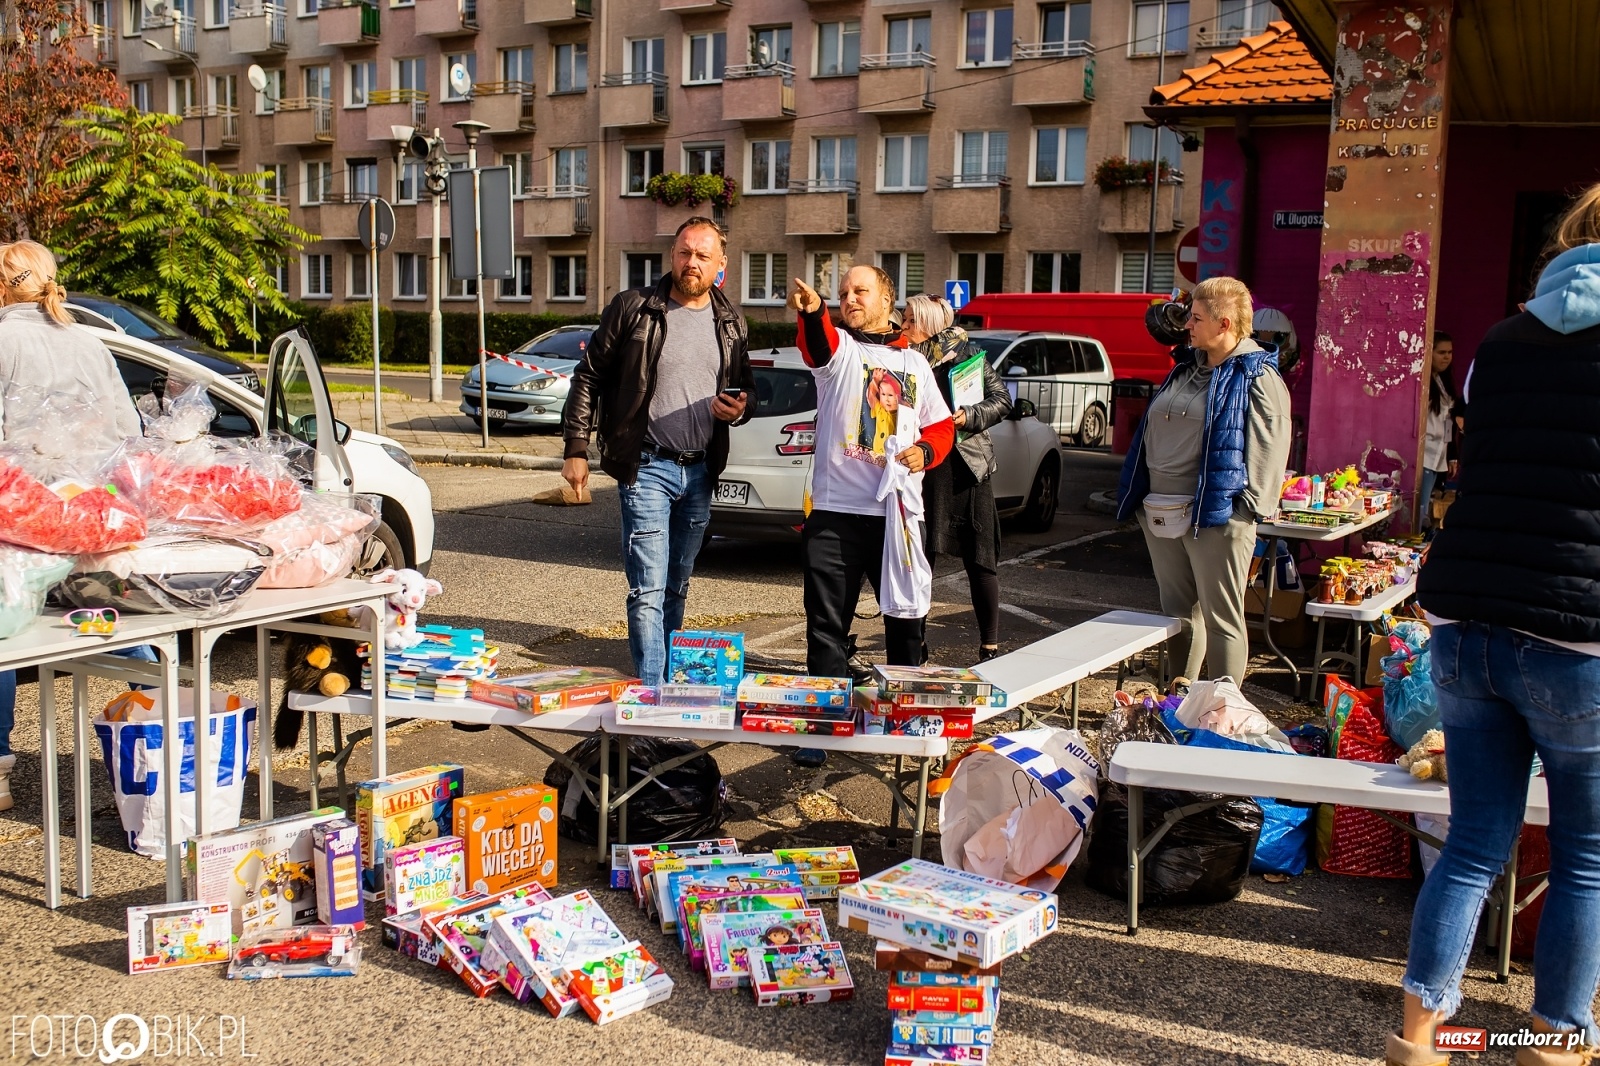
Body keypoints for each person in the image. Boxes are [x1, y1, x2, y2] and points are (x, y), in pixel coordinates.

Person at [1386, 185, 1600, 1066]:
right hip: (1577, 629)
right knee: (1586, 855)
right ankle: (1554, 1039)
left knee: (1473, 843)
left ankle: (1419, 1039)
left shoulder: (1500, 342)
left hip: (1468, 612)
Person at [561, 218, 755, 688]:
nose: (692, 263)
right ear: (672, 255)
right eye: (685, 252)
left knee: (677, 583)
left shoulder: (731, 321)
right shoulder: (634, 308)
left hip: (701, 470)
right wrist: (576, 447)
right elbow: (589, 375)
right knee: (647, 588)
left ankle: (668, 680)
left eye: (703, 255)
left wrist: (740, 408)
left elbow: (747, 390)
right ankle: (652, 691)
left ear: (721, 265)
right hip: (647, 465)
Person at [788, 267, 954, 766]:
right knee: (825, 626)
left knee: (906, 623)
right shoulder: (842, 350)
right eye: (843, 293)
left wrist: (926, 451)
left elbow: (941, 426)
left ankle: (907, 721)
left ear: (887, 298)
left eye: (861, 291)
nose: (849, 299)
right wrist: (814, 314)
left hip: (897, 515)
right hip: (836, 512)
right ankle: (823, 727)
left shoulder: (914, 363)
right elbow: (817, 345)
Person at [0, 240, 142, 812]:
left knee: (6, 635)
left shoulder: (2, 340)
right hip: (91, 516)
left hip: (21, 518)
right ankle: (161, 731)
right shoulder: (89, 342)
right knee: (124, 624)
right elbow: (128, 433)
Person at [1114, 276, 1293, 684]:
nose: (1187, 325)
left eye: (1196, 318)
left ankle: (1224, 708)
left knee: (1221, 618)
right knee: (1178, 615)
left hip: (1217, 516)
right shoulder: (1186, 365)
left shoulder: (1257, 375)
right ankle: (1179, 700)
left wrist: (1243, 512)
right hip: (1161, 510)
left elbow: (1270, 449)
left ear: (1224, 324)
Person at [902, 293, 1012, 663]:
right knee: (920, 561)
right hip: (924, 467)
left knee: (980, 559)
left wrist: (968, 416)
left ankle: (989, 645)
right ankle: (915, 643)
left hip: (966, 467)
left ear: (930, 325)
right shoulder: (905, 359)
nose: (904, 326)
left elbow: (1002, 400)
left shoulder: (966, 356)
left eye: (911, 321)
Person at [1417, 330, 1459, 531]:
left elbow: (1449, 422)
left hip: (1439, 453)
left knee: (1427, 507)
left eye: (1449, 352)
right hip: (1425, 454)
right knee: (1421, 510)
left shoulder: (1443, 382)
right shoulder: (1423, 381)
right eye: (1441, 352)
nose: (1446, 357)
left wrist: (1452, 455)